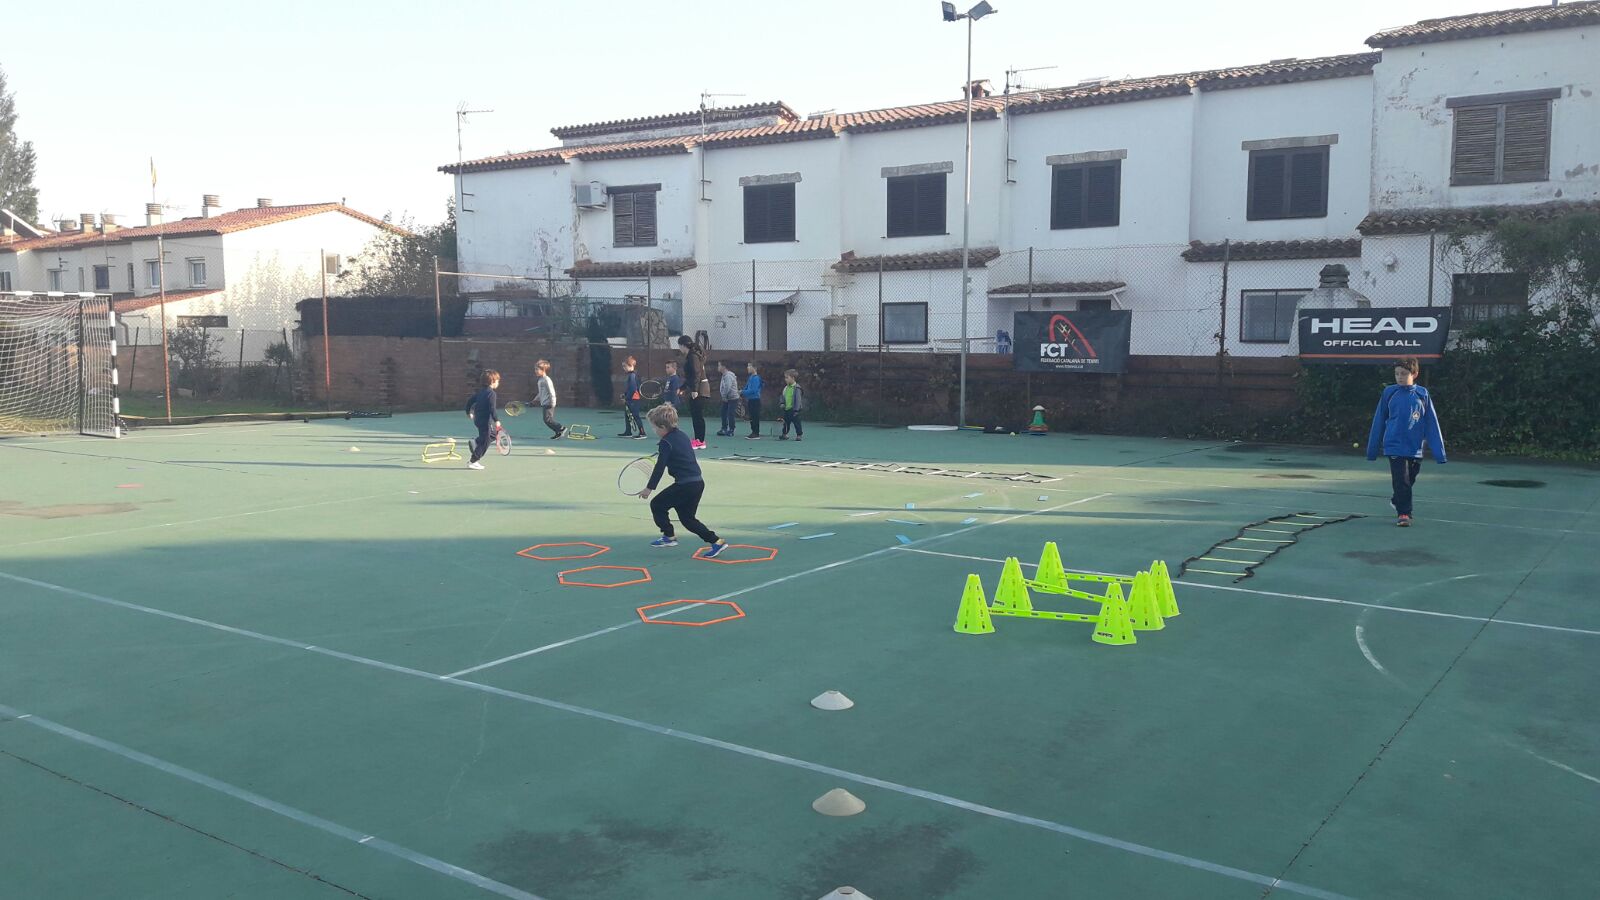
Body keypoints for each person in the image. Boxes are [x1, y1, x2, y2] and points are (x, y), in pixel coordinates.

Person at [1366, 356, 1447, 527]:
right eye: (1397, 374)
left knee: (1409, 479)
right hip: (1394, 445)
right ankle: (1404, 514)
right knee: (1401, 480)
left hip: (1415, 447)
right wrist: (1372, 450)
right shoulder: (1389, 393)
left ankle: (1397, 500)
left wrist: (1439, 453)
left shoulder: (1422, 394)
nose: (1400, 377)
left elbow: (1431, 423)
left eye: (1403, 374)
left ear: (1414, 374)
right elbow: (1379, 420)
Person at [639, 404, 729, 557]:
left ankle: (669, 536)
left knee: (657, 504)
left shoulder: (666, 442)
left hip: (685, 485)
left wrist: (649, 488)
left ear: (663, 427)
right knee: (688, 519)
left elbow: (660, 467)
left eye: (654, 428)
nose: (654, 431)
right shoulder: (682, 435)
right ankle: (716, 541)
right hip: (697, 483)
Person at [463, 369, 502, 470]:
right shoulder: (492, 394)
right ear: (492, 381)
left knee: (494, 435)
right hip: (485, 421)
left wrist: (468, 412)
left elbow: (470, 401)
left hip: (477, 419)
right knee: (485, 441)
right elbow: (492, 408)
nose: (498, 383)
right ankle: (472, 461)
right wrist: (496, 420)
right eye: (497, 380)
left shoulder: (480, 392)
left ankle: (476, 442)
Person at [677, 334, 709, 449]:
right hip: (698, 388)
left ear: (683, 345)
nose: (679, 349)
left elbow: (696, 373)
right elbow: (690, 377)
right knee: (695, 415)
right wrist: (682, 388)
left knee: (698, 415)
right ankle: (698, 439)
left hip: (700, 389)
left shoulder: (693, 356)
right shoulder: (692, 356)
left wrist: (695, 390)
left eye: (679, 346)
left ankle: (700, 441)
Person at [535, 359, 566, 440]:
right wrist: (534, 400)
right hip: (544, 403)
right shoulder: (540, 380)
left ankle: (561, 428)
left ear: (543, 370)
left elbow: (551, 391)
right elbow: (540, 393)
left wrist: (552, 402)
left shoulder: (547, 380)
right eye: (535, 369)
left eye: (537, 369)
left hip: (549, 403)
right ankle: (558, 432)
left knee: (547, 420)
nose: (536, 371)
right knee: (548, 419)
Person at [618, 356, 645, 439]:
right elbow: (629, 389)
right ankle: (628, 432)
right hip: (630, 399)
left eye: (625, 366)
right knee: (627, 415)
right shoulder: (630, 375)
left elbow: (633, 389)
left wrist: (627, 398)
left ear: (631, 365)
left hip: (634, 400)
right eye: (623, 366)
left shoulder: (632, 376)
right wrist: (624, 394)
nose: (624, 368)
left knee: (635, 416)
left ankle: (642, 433)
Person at [778, 368, 805, 442]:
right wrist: (782, 403)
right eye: (785, 377)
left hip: (794, 410)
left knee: (797, 423)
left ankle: (799, 435)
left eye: (787, 377)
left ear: (793, 378)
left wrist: (796, 410)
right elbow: (782, 396)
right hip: (787, 409)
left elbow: (798, 400)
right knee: (786, 423)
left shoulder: (797, 388)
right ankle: (784, 434)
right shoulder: (786, 388)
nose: (785, 379)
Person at [716, 360, 739, 437]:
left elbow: (727, 387)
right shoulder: (724, 375)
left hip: (732, 398)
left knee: (730, 414)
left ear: (724, 367)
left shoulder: (728, 376)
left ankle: (731, 429)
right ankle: (724, 428)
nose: (718, 367)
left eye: (719, 365)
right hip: (726, 398)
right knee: (723, 412)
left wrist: (724, 396)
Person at [741, 362, 763, 440]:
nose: (748, 368)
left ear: (755, 368)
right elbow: (747, 387)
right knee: (751, 417)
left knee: (755, 417)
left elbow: (753, 390)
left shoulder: (756, 378)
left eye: (750, 366)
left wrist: (742, 392)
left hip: (755, 400)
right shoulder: (750, 377)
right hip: (750, 400)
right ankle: (753, 432)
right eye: (748, 366)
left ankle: (756, 433)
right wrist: (741, 392)